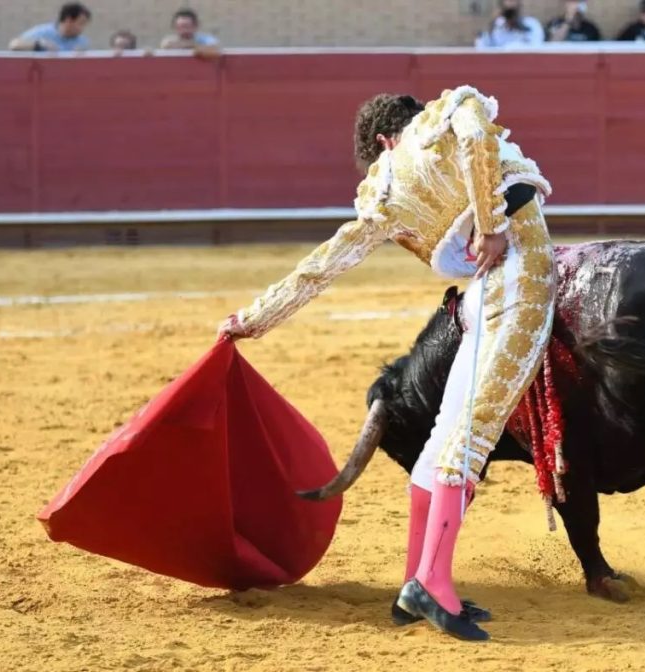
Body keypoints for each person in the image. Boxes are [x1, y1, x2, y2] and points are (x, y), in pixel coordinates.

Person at [218, 87, 556, 642]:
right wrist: (492, 224)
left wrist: (250, 319)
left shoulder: (385, 191)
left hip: (477, 298)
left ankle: (415, 580)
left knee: (446, 435)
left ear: (381, 141)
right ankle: (433, 586)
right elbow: (476, 143)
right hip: (519, 282)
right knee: (468, 439)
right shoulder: (456, 110)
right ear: (409, 123)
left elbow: (323, 265)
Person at [9, 2, 91, 52]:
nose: (82, 29)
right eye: (81, 23)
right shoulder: (43, 32)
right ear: (68, 20)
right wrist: (40, 45)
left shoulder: (82, 41)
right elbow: (14, 45)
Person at [475, 0, 546, 48]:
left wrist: (521, 28)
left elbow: (536, 47)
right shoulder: (497, 26)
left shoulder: (531, 24)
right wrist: (491, 26)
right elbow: (482, 47)